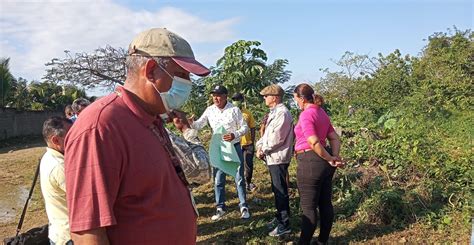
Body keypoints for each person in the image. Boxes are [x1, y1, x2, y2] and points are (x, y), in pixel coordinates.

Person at [64, 28, 210, 244]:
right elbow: (88, 232)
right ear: (151, 70)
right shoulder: (101, 127)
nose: (188, 84)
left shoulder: (152, 119)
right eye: (182, 75)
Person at [190, 85, 250, 220]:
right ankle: (220, 207)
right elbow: (199, 125)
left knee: (239, 177)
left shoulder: (234, 110)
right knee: (218, 179)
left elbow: (244, 127)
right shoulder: (210, 110)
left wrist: (234, 134)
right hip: (218, 148)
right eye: (213, 95)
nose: (215, 98)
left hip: (233, 147)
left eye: (218, 95)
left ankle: (243, 206)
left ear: (225, 96)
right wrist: (191, 123)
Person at [293, 83, 343, 245]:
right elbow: (334, 137)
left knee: (308, 208)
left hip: (310, 162)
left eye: (295, 99)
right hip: (324, 164)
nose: (296, 102)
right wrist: (333, 157)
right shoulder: (321, 113)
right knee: (325, 203)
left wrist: (330, 158)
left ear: (301, 98)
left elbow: (313, 141)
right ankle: (322, 241)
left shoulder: (306, 115)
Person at [255, 84, 294, 237]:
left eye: (266, 96)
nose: (264, 98)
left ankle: (284, 224)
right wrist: (260, 146)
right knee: (277, 189)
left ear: (275, 97)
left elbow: (277, 138)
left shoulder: (282, 113)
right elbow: (266, 136)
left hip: (278, 157)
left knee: (280, 192)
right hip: (273, 157)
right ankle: (280, 218)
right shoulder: (274, 113)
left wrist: (263, 149)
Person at [39, 116, 73, 245]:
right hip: (68, 236)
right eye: (71, 136)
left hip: (59, 232)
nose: (77, 140)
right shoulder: (60, 167)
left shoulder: (49, 157)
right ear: (56, 140)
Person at [231, 92, 257, 192]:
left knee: (248, 164)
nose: (235, 102)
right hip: (236, 143)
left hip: (247, 143)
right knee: (238, 165)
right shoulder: (230, 113)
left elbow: (253, 127)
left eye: (237, 100)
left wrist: (252, 141)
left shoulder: (247, 113)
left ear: (241, 101)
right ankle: (239, 184)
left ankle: (248, 183)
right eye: (234, 100)